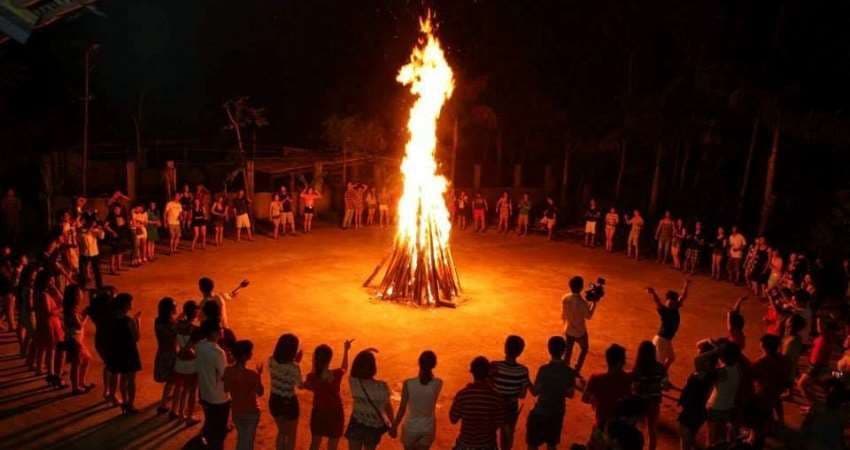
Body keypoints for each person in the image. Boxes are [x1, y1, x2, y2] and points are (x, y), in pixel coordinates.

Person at [525, 336, 576, 450]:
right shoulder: (569, 371)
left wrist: (527, 380)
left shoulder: (544, 369)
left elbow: (534, 392)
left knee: (532, 444)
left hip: (541, 412)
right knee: (552, 445)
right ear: (564, 351)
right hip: (557, 413)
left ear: (549, 349)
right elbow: (570, 394)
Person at [304, 339, 353, 450]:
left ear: (315, 359)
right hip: (335, 413)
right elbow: (345, 367)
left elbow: (307, 383)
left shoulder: (311, 378)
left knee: (315, 443)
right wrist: (346, 350)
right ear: (329, 359)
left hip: (319, 413)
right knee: (332, 446)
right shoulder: (335, 374)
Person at [449, 356, 505, 450]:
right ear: (488, 374)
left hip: (465, 445)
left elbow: (453, 419)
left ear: (472, 372)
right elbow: (500, 423)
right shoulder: (495, 397)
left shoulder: (462, 394)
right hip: (487, 445)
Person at [582, 344, 632, 444]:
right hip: (621, 428)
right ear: (619, 363)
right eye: (623, 360)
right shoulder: (628, 379)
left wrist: (594, 399)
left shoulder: (596, 379)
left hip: (602, 424)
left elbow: (585, 398)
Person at [392, 350, 442, 450]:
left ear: (419, 363)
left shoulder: (408, 383)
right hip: (428, 428)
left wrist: (394, 426)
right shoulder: (439, 383)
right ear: (434, 365)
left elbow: (402, 409)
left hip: (410, 428)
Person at [346, 349, 395, 450]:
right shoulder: (382, 386)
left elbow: (352, 370)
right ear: (373, 367)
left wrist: (363, 352)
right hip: (374, 426)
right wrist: (392, 426)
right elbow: (388, 408)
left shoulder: (354, 383)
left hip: (357, 422)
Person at [490, 336, 531, 450]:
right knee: (507, 436)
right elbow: (522, 395)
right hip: (511, 407)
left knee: (489, 432)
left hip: (495, 404)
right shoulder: (523, 371)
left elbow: (488, 384)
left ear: (505, 348)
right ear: (520, 352)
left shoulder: (494, 366)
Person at [749, 334, 790, 447]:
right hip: (776, 392)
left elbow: (750, 374)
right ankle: (775, 425)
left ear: (764, 346)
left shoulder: (762, 362)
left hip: (763, 395)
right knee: (770, 409)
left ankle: (753, 438)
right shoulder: (782, 358)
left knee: (757, 418)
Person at [196, 319, 231, 450]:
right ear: (213, 333)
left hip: (205, 393)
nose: (222, 330)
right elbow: (224, 375)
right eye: (220, 329)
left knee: (210, 424)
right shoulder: (218, 352)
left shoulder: (199, 346)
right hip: (219, 397)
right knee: (219, 432)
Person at [224, 340, 265, 450]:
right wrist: (259, 375)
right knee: (247, 442)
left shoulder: (228, 371)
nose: (251, 354)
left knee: (242, 439)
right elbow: (260, 392)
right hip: (251, 412)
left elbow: (226, 388)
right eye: (250, 352)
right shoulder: (252, 375)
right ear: (244, 356)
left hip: (237, 411)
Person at [108, 293, 142, 414]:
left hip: (118, 351)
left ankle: (124, 401)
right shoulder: (129, 320)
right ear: (126, 305)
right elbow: (136, 337)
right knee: (131, 380)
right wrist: (138, 321)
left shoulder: (112, 319)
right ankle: (130, 404)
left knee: (123, 378)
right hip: (130, 351)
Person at [630, 341, 668, 450]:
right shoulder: (661, 368)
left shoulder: (638, 368)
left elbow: (634, 387)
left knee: (633, 427)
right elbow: (665, 385)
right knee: (652, 431)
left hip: (639, 403)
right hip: (654, 403)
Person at [677, 345, 716, 450]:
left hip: (691, 412)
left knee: (686, 443)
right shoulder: (709, 375)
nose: (697, 357)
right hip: (697, 413)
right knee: (689, 440)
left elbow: (689, 393)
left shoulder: (702, 376)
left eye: (700, 355)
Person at [269, 333, 304, 450]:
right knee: (291, 435)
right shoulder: (294, 367)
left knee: (282, 432)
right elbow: (300, 385)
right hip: (289, 402)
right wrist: (297, 362)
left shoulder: (271, 360)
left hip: (274, 400)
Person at [647, 279, 690, 369]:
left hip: (666, 340)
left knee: (671, 358)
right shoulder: (665, 311)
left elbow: (683, 297)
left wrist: (686, 285)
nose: (670, 303)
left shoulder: (673, 308)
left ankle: (662, 373)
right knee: (658, 363)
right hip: (662, 340)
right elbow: (657, 302)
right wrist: (653, 293)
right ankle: (659, 376)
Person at [706, 343, 742, 447]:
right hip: (727, 408)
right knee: (721, 439)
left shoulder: (721, 372)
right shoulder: (737, 368)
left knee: (711, 439)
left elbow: (699, 362)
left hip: (714, 407)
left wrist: (714, 351)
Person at [32, 270, 64, 386]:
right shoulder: (44, 295)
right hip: (49, 323)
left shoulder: (42, 292)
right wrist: (60, 309)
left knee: (44, 347)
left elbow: (61, 299)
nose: (53, 281)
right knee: (51, 348)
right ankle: (50, 373)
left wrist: (55, 288)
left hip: (48, 322)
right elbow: (49, 311)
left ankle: (40, 368)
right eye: (50, 279)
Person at [172, 300, 200, 424]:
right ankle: (189, 417)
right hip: (191, 362)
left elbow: (175, 343)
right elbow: (196, 346)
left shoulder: (177, 324)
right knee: (192, 390)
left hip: (180, 361)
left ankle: (180, 414)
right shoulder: (195, 329)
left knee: (182, 388)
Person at [62, 285, 93, 394]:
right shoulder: (71, 311)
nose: (81, 296)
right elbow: (79, 325)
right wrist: (86, 317)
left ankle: (81, 382)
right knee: (77, 363)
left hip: (77, 340)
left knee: (86, 359)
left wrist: (83, 313)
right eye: (79, 294)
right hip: (74, 340)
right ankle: (76, 387)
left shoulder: (72, 309)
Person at [797, 318, 833, 411]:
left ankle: (814, 406)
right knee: (814, 384)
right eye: (818, 323)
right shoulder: (823, 337)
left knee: (801, 384)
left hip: (816, 367)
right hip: (815, 366)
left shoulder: (826, 338)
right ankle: (818, 405)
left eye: (820, 324)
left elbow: (822, 355)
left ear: (826, 327)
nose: (818, 326)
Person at [562, 276, 595, 375]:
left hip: (568, 329)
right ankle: (577, 369)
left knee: (568, 351)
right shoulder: (582, 303)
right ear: (581, 287)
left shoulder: (565, 298)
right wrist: (594, 303)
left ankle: (565, 368)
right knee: (584, 349)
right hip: (580, 331)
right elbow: (588, 315)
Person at [154, 297, 178, 414]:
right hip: (170, 353)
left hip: (162, 352)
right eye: (174, 306)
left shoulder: (158, 321)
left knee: (171, 379)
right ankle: (163, 404)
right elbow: (175, 331)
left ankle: (166, 400)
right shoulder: (171, 324)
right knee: (172, 380)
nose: (176, 308)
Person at [78, 216, 104, 289]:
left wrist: (100, 230)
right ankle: (82, 286)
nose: (93, 224)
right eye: (92, 223)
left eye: (94, 223)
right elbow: (79, 239)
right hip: (84, 253)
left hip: (94, 252)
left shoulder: (95, 230)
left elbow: (102, 237)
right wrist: (88, 231)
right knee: (82, 271)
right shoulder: (81, 230)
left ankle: (99, 286)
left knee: (97, 270)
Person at [104, 204, 130, 274]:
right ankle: (112, 269)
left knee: (120, 251)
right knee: (114, 253)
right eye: (116, 209)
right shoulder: (110, 216)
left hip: (121, 236)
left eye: (119, 209)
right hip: (114, 237)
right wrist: (112, 232)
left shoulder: (121, 216)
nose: (118, 210)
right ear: (114, 210)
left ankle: (119, 266)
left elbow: (123, 225)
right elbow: (105, 226)